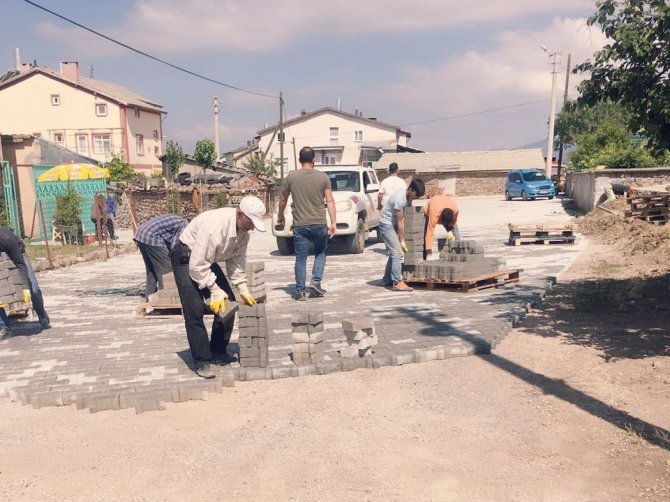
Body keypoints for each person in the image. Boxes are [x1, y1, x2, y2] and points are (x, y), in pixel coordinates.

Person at [172, 196, 265, 379]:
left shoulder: (243, 233)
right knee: (194, 309)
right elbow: (196, 266)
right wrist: (214, 290)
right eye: (251, 222)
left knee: (228, 303)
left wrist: (242, 287)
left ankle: (218, 350)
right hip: (186, 257)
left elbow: (236, 262)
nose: (252, 228)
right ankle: (202, 361)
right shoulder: (215, 227)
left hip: (205, 259)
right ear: (240, 214)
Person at [277, 146, 337, 301]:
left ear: (299, 159)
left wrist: (280, 215)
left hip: (300, 225)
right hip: (319, 223)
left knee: (301, 258)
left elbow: (283, 199)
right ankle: (315, 282)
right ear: (314, 160)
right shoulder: (323, 177)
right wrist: (333, 223)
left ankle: (301, 291)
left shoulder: (291, 177)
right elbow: (329, 201)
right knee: (320, 252)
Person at [0, 227, 50, 339]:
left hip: (18, 256)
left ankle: (40, 312)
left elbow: (20, 264)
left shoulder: (7, 239)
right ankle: (3, 326)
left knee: (33, 288)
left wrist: (25, 288)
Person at [379, 179, 426, 291]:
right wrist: (402, 240)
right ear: (410, 189)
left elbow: (407, 214)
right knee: (397, 253)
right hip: (387, 225)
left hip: (392, 224)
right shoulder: (400, 198)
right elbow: (400, 221)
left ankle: (386, 279)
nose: (417, 198)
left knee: (394, 253)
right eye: (416, 195)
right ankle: (397, 282)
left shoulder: (409, 197)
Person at [134, 214, 188, 299]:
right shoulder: (185, 225)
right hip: (151, 237)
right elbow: (175, 245)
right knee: (167, 270)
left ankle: (149, 298)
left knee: (151, 270)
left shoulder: (178, 220)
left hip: (141, 234)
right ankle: (166, 299)